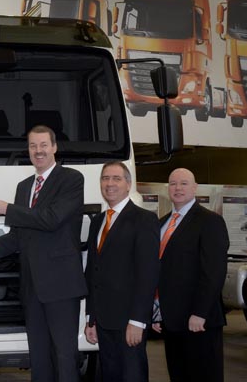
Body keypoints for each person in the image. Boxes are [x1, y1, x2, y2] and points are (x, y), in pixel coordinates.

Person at [0, 125, 87, 382]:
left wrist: (7, 208)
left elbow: (51, 219)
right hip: (31, 287)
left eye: (43, 145)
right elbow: (18, 235)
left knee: (64, 356)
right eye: (32, 146)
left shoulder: (71, 179)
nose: (38, 151)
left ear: (54, 147)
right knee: (38, 358)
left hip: (61, 286)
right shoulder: (24, 186)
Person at [83, 161, 160, 381]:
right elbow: (93, 273)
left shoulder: (144, 220)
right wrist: (91, 319)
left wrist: (137, 321)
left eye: (116, 178)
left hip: (129, 321)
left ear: (128, 184)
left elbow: (148, 273)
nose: (109, 184)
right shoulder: (98, 221)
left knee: (132, 375)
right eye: (105, 178)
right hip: (104, 322)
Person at [152, 168, 229, 382]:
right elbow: (160, 270)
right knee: (179, 375)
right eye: (173, 183)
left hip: (198, 321)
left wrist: (200, 313)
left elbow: (213, 271)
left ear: (195, 188)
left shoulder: (209, 221)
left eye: (184, 183)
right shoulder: (161, 223)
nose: (178, 188)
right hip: (171, 320)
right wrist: (157, 311)